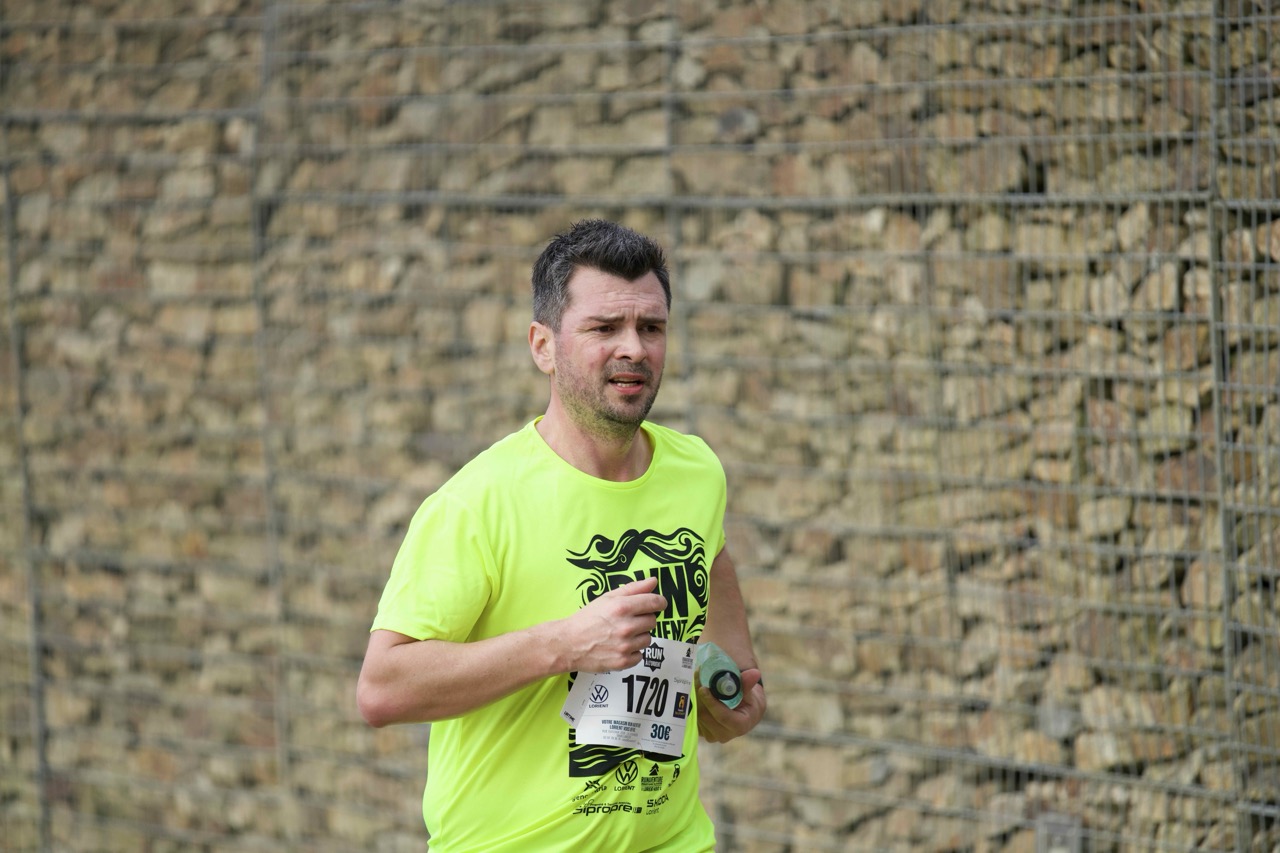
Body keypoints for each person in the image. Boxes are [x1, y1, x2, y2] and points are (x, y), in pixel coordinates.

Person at [357, 219, 765, 851]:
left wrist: (726, 693)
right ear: (543, 346)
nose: (634, 348)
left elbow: (711, 572)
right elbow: (382, 689)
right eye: (604, 328)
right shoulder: (478, 503)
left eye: (651, 328)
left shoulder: (697, 473)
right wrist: (567, 643)